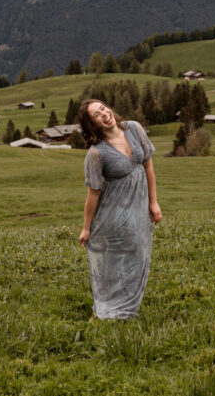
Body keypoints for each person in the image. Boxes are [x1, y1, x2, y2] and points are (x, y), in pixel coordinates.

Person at [77, 99, 161, 319]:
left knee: (138, 253)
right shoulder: (96, 154)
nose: (104, 114)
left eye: (104, 108)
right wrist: (86, 228)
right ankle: (107, 309)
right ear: (92, 125)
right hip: (112, 214)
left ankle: (126, 305)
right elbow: (93, 193)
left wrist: (153, 202)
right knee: (113, 261)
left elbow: (148, 165)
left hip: (137, 208)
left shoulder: (134, 128)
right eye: (97, 115)